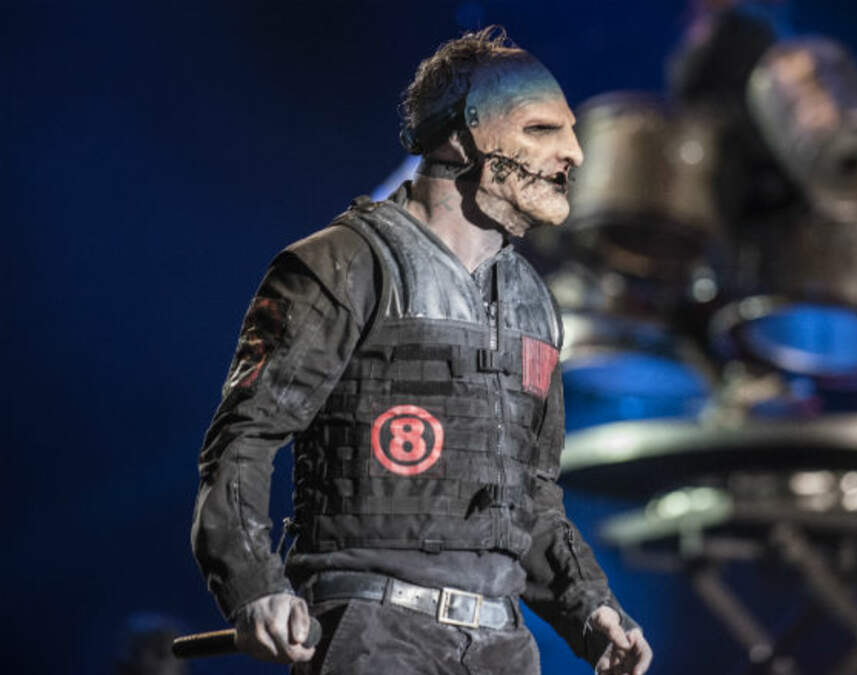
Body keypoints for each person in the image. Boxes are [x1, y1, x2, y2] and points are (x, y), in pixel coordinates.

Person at [190, 26, 652, 675]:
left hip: (503, 647)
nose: (573, 152)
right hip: (374, 635)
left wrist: (590, 606)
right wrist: (254, 585)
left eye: (571, 132)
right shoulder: (342, 264)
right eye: (541, 129)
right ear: (463, 134)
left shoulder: (534, 305)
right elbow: (243, 440)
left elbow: (533, 497)